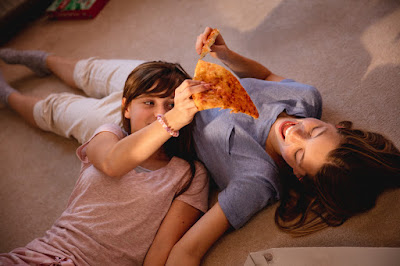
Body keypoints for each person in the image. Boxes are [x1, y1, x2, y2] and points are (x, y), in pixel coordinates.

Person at [1, 27, 399, 265]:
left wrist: (170, 117)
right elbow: (265, 75)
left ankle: (7, 97)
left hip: (148, 137)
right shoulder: (305, 99)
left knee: (59, 111)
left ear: (296, 173)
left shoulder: (256, 181)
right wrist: (226, 54)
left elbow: (186, 251)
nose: (295, 133)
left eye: (299, 154)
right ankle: (39, 58)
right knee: (93, 70)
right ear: (332, 125)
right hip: (163, 87)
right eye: (314, 132)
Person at [0, 56, 210, 265]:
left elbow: (161, 250)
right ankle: (13, 90)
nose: (160, 113)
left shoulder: (189, 173)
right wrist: (172, 118)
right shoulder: (110, 133)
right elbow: (112, 164)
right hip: (42, 254)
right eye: (149, 102)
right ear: (126, 107)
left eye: (171, 105)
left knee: (58, 107)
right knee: (54, 109)